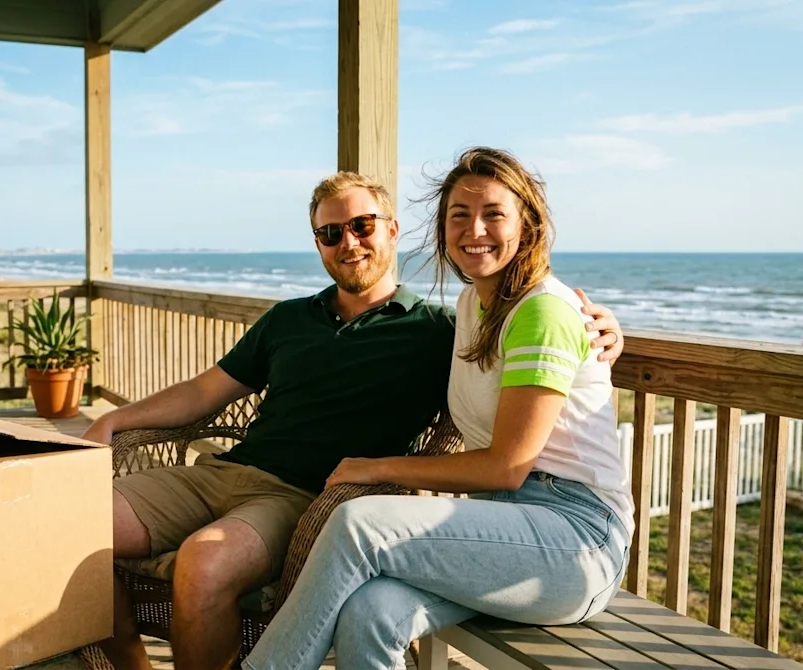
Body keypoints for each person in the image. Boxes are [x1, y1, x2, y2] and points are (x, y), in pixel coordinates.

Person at [81, 171, 625, 670]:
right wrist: (116, 420)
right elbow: (206, 390)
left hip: (317, 500)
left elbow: (543, 346)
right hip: (224, 473)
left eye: (362, 226)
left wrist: (602, 329)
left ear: (391, 231)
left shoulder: (434, 329)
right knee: (71, 524)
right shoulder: (457, 312)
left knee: (211, 561)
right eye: (331, 232)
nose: (349, 242)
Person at [240, 147, 635, 670]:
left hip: (575, 542)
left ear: (527, 223)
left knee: (359, 524)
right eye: (459, 215)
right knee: (369, 610)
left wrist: (376, 466)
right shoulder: (474, 305)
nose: (476, 229)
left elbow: (506, 466)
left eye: (494, 213)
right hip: (500, 528)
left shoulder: (543, 309)